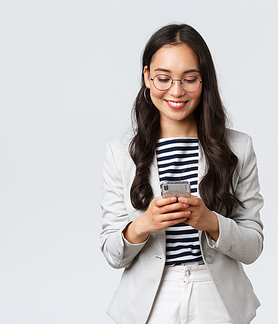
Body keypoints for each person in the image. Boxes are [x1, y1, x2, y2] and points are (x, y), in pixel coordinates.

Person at [100, 24, 264, 324]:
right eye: (164, 78)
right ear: (147, 76)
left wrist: (211, 223)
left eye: (190, 79)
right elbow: (112, 253)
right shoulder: (119, 151)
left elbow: (253, 246)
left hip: (218, 300)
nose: (176, 91)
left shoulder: (238, 148)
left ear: (204, 81)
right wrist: (144, 224)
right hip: (149, 303)